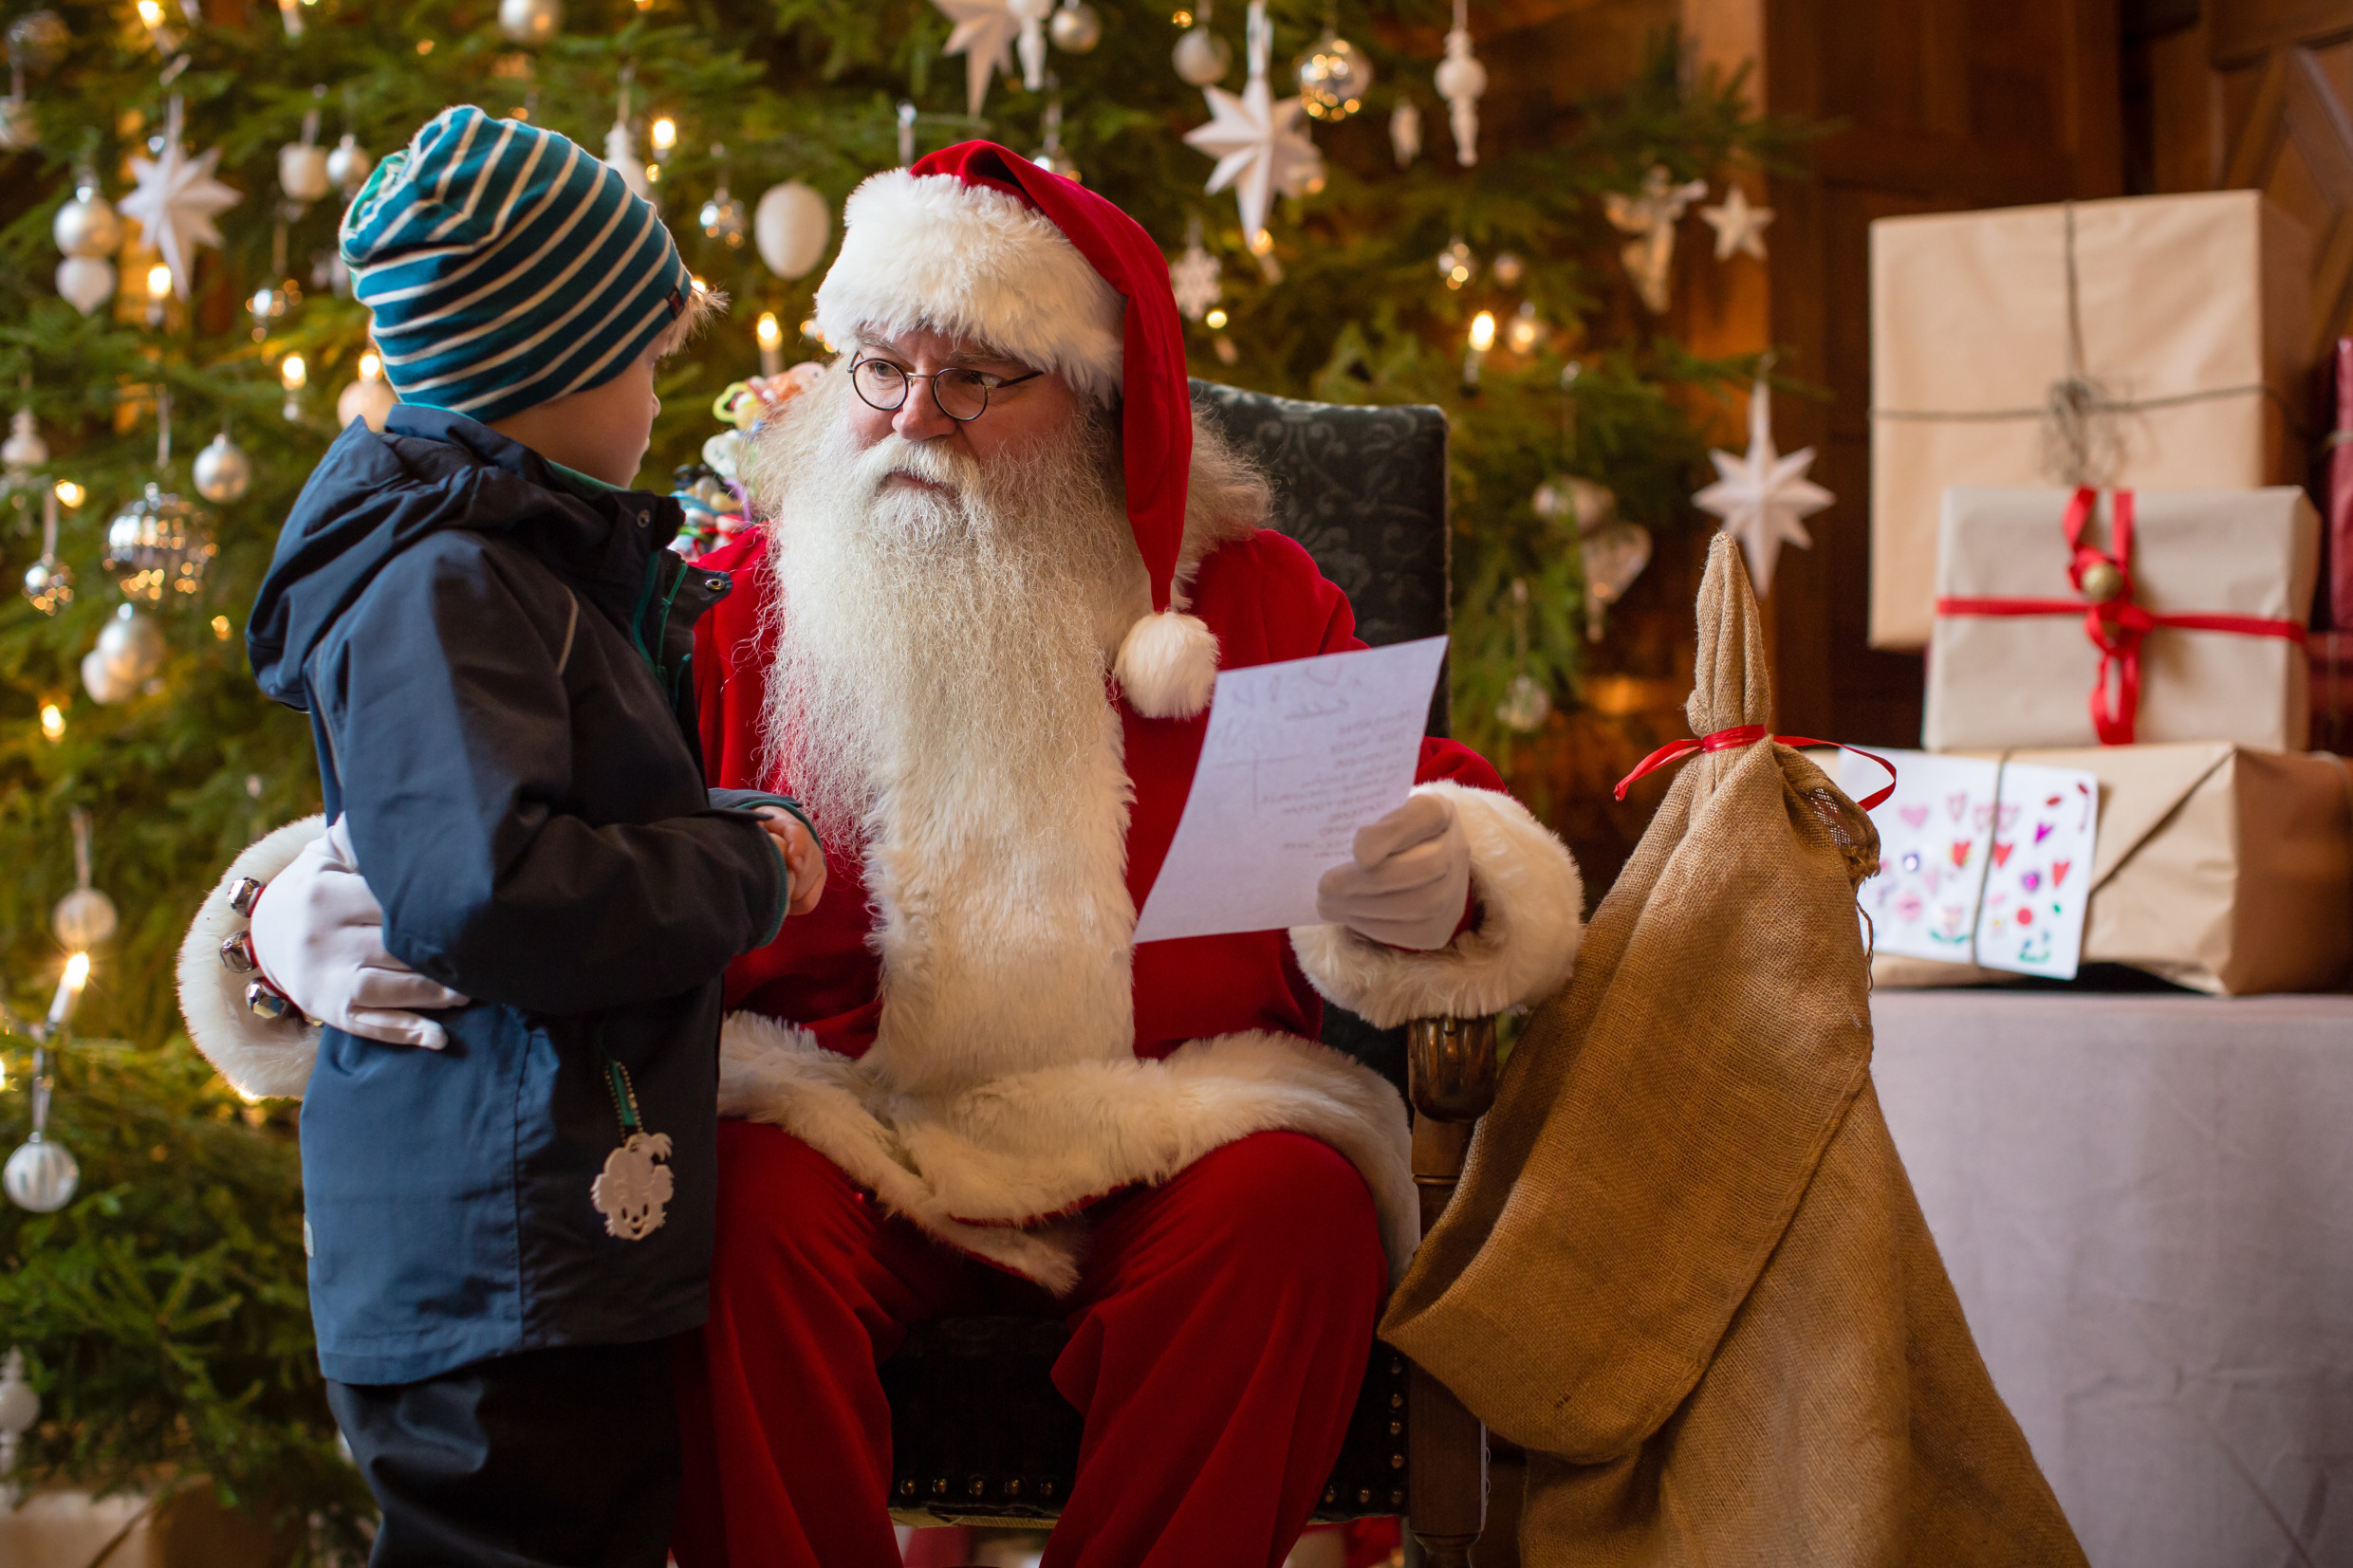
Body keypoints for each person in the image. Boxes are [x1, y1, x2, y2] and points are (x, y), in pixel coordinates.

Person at [200, 142, 1585, 1567]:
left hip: (1173, 1127)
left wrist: (1444, 871)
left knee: (1297, 1212)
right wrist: (277, 913)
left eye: (979, 374)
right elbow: (484, 795)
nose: (916, 416)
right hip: (849, 1122)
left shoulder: (1243, 597)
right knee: (725, 1200)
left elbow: (1419, 799)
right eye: (878, 365)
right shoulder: (722, 594)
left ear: (1099, 405)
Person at [175, 106, 824, 1568]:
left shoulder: (522, 567)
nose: (665, 399)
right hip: (494, 1240)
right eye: (648, 362)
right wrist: (748, 866)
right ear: (550, 369)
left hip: (546, 1221)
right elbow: (492, 886)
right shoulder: (444, 585)